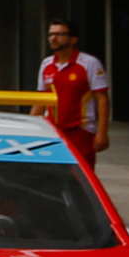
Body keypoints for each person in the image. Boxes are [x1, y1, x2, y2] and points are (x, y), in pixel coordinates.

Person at [38, 18, 110, 165]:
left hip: (81, 133)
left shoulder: (89, 63)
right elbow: (40, 100)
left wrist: (102, 133)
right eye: (51, 34)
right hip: (51, 132)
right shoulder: (46, 64)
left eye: (59, 34)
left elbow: (102, 99)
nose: (53, 38)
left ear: (73, 39)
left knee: (81, 178)